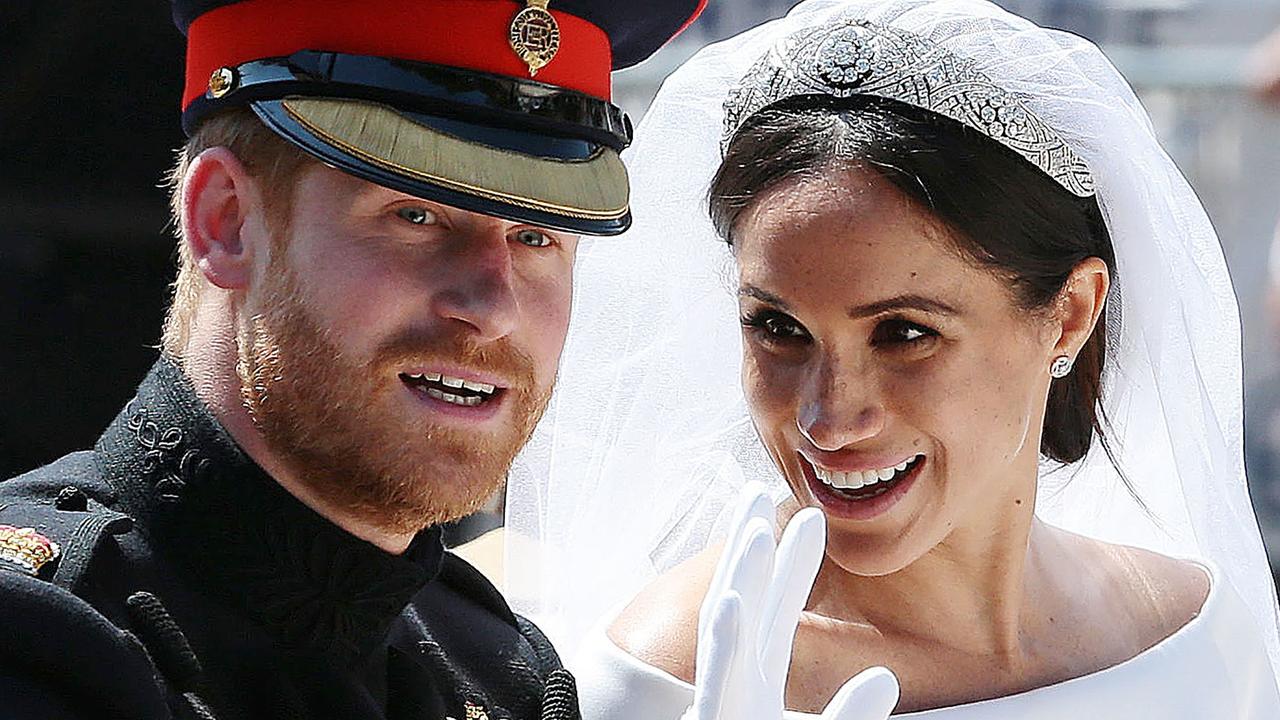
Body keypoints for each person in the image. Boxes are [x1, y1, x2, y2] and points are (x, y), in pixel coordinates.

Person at [505, 0, 1280, 716]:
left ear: (1069, 314)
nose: (829, 418)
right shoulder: (672, 678)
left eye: (905, 333)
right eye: (778, 329)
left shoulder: (1198, 639)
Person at [0, 0, 705, 717]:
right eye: (418, 215)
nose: (494, 307)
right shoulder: (36, 639)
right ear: (226, 221)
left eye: (535, 237)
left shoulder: (499, 669)